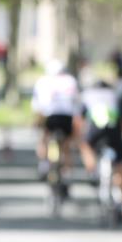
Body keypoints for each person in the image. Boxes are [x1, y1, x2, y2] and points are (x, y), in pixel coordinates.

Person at [79, 76, 122, 224]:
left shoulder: (87, 94)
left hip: (95, 129)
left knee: (85, 146)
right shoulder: (116, 95)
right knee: (120, 165)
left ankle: (93, 171)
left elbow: (81, 119)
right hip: (114, 130)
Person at [32, 59, 81, 188]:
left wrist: (36, 123)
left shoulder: (42, 81)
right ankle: (68, 173)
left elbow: (38, 106)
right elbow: (77, 103)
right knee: (66, 145)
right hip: (66, 117)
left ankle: (43, 164)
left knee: (44, 138)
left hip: (49, 117)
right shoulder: (70, 80)